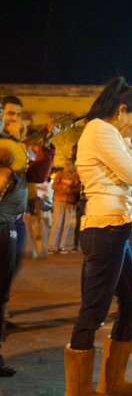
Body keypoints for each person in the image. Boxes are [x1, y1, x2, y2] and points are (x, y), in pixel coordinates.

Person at [64, 77, 132, 395]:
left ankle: (112, 383)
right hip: (105, 228)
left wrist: (129, 146)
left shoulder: (110, 133)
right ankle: (78, 391)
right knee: (93, 311)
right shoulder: (101, 130)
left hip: (117, 225)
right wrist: (131, 147)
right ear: (123, 110)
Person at [0, 95, 58, 377]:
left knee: (3, 287)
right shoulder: (9, 146)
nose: (12, 120)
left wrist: (45, 146)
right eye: (7, 114)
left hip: (14, 221)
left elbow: (37, 176)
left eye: (15, 115)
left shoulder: (19, 147)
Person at [48, 159, 81, 254]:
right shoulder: (60, 174)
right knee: (57, 224)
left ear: (73, 165)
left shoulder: (76, 176)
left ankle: (61, 246)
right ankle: (52, 246)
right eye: (66, 164)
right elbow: (53, 186)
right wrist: (63, 188)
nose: (67, 166)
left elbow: (78, 188)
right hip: (59, 200)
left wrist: (71, 190)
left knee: (66, 225)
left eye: (69, 164)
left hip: (70, 202)